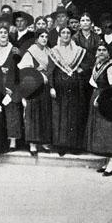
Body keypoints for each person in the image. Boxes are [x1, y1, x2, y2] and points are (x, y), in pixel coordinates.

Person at [85, 42, 112, 175]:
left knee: (110, 130)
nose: (101, 52)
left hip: (109, 100)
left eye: (104, 50)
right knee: (102, 131)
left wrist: (101, 97)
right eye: (99, 50)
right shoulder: (97, 65)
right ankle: (107, 161)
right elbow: (94, 83)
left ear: (109, 53)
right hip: (99, 98)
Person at [48, 26, 88, 154]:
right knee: (60, 116)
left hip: (75, 88)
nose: (65, 35)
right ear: (59, 35)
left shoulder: (78, 50)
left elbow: (86, 65)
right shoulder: (54, 51)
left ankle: (74, 146)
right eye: (63, 33)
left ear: (71, 35)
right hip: (60, 89)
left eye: (68, 33)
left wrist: (81, 70)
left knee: (74, 116)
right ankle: (61, 146)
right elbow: (50, 71)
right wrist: (51, 87)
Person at [18, 30, 54, 156]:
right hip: (33, 85)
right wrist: (38, 74)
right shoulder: (30, 52)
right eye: (41, 36)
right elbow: (23, 70)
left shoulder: (50, 51)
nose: (44, 39)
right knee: (33, 113)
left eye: (46, 36)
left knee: (44, 112)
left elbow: (52, 69)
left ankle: (43, 141)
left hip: (45, 86)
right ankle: (32, 144)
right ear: (36, 39)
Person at [72, 12, 103, 147]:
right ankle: (79, 141)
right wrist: (78, 67)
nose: (85, 22)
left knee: (92, 104)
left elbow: (100, 53)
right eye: (83, 20)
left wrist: (95, 68)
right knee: (80, 105)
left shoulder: (97, 37)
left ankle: (91, 141)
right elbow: (72, 54)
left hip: (93, 73)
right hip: (79, 73)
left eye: (87, 20)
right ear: (80, 23)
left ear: (91, 23)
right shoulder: (75, 37)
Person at [0, 26, 22, 152]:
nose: (3, 34)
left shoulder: (14, 50)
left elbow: (19, 69)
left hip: (11, 84)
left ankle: (13, 141)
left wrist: (12, 87)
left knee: (12, 112)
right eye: (1, 32)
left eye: (5, 32)